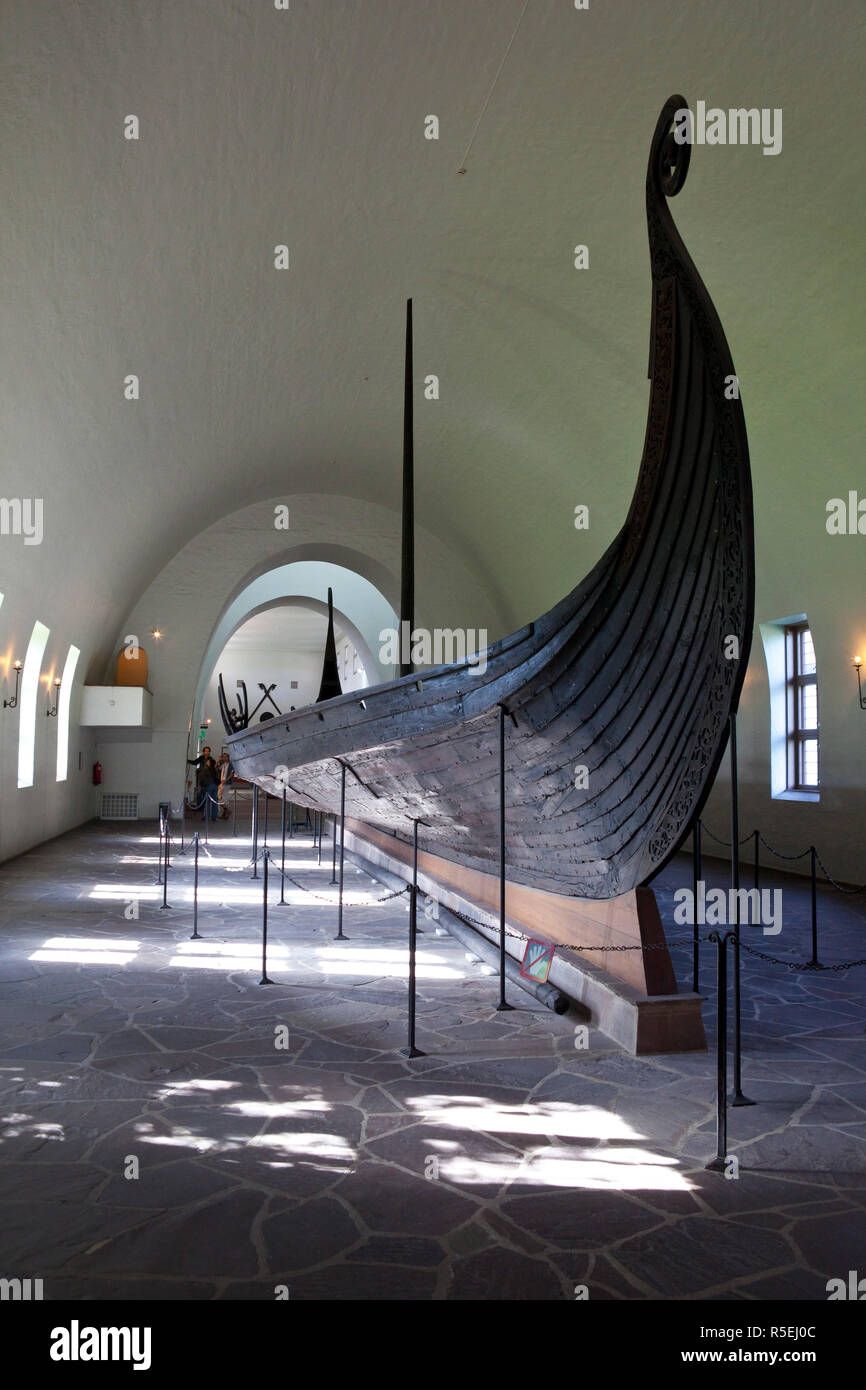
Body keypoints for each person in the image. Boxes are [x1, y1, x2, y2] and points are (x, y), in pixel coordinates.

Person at [197, 756, 220, 821]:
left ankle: (206, 816)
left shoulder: (205, 769)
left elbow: (202, 778)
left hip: (208, 786)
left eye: (207, 761)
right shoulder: (215, 769)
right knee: (215, 801)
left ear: (209, 763)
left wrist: (202, 785)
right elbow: (218, 777)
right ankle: (214, 816)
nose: (206, 762)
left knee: (207, 801)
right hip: (215, 786)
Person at [216, 752, 234, 819]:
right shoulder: (223, 764)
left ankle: (225, 814)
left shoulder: (231, 764)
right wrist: (218, 760)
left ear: (228, 757)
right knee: (219, 797)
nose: (224, 758)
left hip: (227, 783)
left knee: (224, 798)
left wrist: (226, 780)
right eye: (223, 757)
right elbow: (216, 767)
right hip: (221, 783)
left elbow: (232, 773)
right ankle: (227, 811)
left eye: (225, 757)